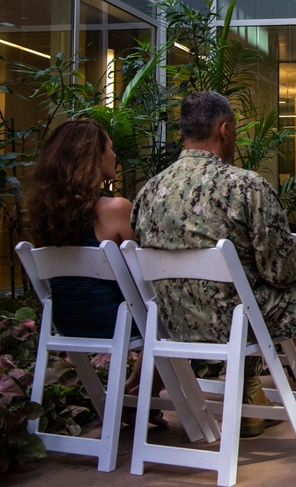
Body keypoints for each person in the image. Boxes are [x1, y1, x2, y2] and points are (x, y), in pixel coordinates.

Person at [131, 91, 296, 445]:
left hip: (176, 325)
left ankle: (250, 397)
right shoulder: (245, 186)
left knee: (245, 288)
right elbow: (282, 272)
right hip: (243, 320)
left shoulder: (147, 193)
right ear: (225, 129)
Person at [22, 119, 168, 428]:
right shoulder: (116, 208)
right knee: (172, 311)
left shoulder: (43, 214)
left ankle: (135, 390)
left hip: (65, 321)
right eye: (110, 148)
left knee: (157, 315)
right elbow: (146, 272)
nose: (114, 155)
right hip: (112, 322)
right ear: (94, 157)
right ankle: (140, 391)